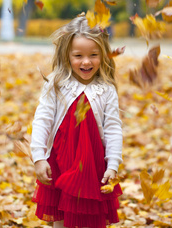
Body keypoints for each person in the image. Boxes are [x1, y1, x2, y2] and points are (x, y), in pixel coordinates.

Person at [31, 14, 123, 228]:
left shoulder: (106, 89)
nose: (86, 61)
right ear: (66, 55)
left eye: (93, 55)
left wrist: (113, 163)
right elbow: (42, 119)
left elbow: (113, 128)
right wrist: (38, 157)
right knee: (61, 216)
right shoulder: (56, 83)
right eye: (78, 55)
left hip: (93, 164)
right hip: (60, 161)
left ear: (103, 55)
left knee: (93, 217)